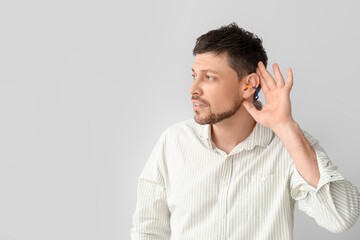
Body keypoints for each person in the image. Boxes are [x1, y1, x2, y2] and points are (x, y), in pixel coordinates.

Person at [130, 22, 360, 239]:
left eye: (209, 77)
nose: (193, 89)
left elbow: (340, 218)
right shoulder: (173, 142)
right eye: (194, 76)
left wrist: (285, 127)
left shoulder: (289, 144)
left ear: (249, 85)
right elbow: (147, 231)